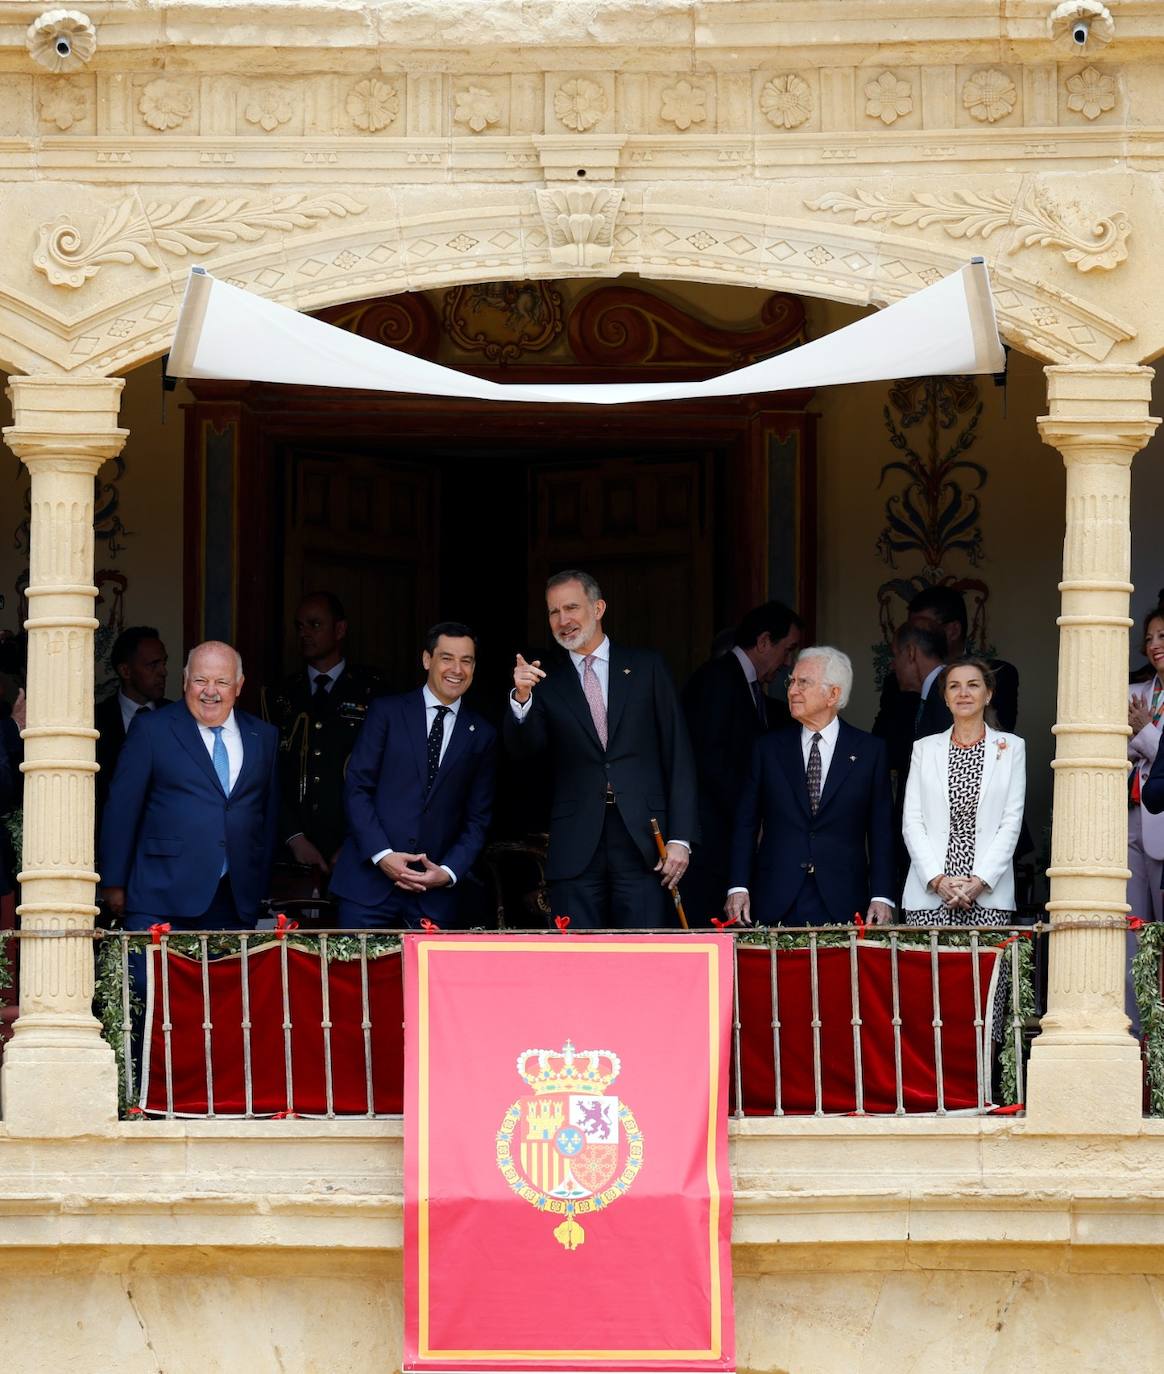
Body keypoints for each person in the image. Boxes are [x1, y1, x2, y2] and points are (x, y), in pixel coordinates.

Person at [505, 570, 699, 929]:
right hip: (577, 842)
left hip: (643, 839)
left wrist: (681, 838)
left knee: (643, 957)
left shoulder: (646, 667)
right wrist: (521, 698)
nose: (563, 620)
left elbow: (679, 755)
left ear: (598, 607)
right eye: (553, 612)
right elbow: (523, 752)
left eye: (572, 607)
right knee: (578, 961)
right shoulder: (543, 678)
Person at [99, 641, 280, 931]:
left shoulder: (263, 736)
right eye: (200, 680)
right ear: (185, 681)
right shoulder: (151, 729)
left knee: (224, 977)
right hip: (160, 896)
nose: (210, 691)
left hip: (234, 899)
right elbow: (122, 809)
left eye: (222, 681)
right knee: (153, 978)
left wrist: (260, 884)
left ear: (239, 685)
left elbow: (268, 816)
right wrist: (114, 882)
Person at [329, 622, 496, 929]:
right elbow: (357, 788)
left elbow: (478, 819)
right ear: (426, 660)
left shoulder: (482, 734)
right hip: (368, 886)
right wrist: (383, 855)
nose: (456, 669)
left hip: (433, 898)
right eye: (447, 658)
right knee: (357, 977)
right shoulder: (387, 712)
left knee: (427, 979)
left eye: (466, 660)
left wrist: (447, 872)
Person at [726, 647, 895, 927]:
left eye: (803, 682)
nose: (792, 690)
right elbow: (746, 823)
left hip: (843, 898)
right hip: (775, 895)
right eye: (791, 681)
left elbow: (881, 831)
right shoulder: (768, 749)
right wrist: (738, 886)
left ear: (834, 695)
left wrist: (882, 895)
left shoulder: (869, 751)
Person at [681, 600, 803, 923]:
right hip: (711, 839)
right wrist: (752, 815)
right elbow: (711, 762)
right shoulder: (716, 680)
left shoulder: (751, 688)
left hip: (731, 837)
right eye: (787, 650)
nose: (789, 662)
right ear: (764, 642)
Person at [261, 592, 386, 880]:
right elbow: (267, 775)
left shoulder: (373, 691)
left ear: (340, 629)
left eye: (314, 624)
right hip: (291, 848)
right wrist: (294, 837)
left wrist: (357, 840)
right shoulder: (279, 694)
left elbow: (387, 775)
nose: (304, 633)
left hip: (356, 844)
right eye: (299, 626)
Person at [900, 657, 1027, 942]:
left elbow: (1010, 822)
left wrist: (979, 881)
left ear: (988, 694)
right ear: (945, 698)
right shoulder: (924, 749)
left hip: (987, 893)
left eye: (973, 685)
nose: (963, 693)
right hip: (931, 894)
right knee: (929, 983)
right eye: (954, 687)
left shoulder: (1012, 749)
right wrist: (937, 880)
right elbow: (912, 821)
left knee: (986, 983)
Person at [874, 586, 1020, 739]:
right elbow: (883, 744)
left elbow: (998, 740)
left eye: (924, 627)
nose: (914, 636)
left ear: (953, 630)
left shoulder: (995, 675)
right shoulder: (897, 681)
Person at [95, 626, 169, 818]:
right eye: (153, 665)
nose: (163, 671)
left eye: (164, 663)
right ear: (126, 671)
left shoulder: (179, 717)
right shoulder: (95, 721)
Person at [1127, 594, 1164, 924]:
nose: (1154, 645)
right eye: (1149, 638)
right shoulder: (1134, 692)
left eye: (1162, 636)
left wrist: (1144, 733)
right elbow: (1113, 750)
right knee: (1131, 926)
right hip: (1131, 817)